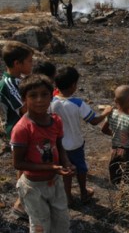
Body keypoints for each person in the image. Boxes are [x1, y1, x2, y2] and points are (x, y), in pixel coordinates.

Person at [11, 74, 74, 232]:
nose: (39, 100)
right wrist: (52, 167)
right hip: (33, 187)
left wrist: (65, 162)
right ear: (24, 99)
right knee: (41, 225)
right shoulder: (22, 128)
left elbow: (59, 146)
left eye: (44, 94)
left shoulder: (56, 121)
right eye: (33, 95)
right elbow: (18, 163)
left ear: (51, 95)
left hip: (54, 182)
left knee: (61, 222)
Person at [50, 66, 112, 205]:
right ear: (73, 85)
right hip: (75, 144)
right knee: (81, 168)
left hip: (60, 144)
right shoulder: (77, 103)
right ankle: (84, 192)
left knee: (66, 171)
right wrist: (106, 112)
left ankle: (68, 197)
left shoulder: (51, 102)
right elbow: (94, 121)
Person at [0, 41, 33, 218]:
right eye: (29, 61)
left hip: (25, 128)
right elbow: (24, 109)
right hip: (18, 131)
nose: (32, 64)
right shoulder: (9, 83)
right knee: (24, 167)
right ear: (17, 64)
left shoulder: (17, 80)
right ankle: (21, 203)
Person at [101, 85, 129, 185]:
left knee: (115, 172)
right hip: (128, 152)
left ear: (115, 100)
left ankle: (116, 191)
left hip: (116, 150)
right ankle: (127, 195)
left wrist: (115, 134)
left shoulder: (111, 114)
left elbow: (104, 130)